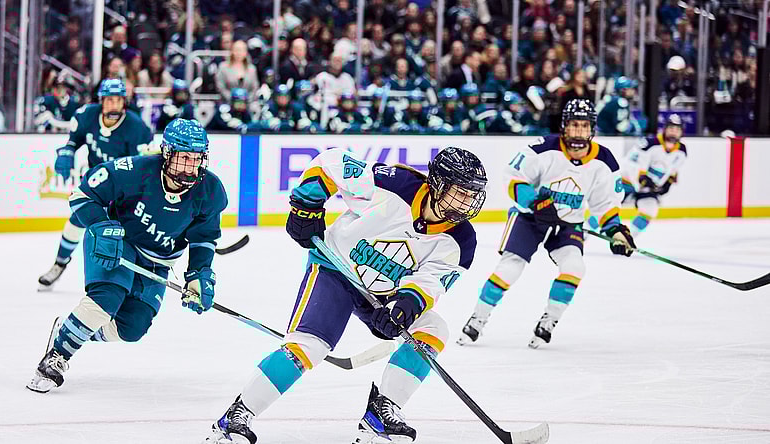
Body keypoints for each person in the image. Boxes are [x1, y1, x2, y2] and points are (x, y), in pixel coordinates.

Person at [204, 146, 487, 444]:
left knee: (433, 329)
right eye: (461, 192)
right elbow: (331, 161)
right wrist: (306, 205)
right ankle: (235, 418)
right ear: (438, 184)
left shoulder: (462, 240)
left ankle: (382, 411)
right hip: (335, 269)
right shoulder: (393, 184)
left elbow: (430, 282)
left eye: (473, 195)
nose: (467, 202)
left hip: (382, 295)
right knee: (310, 346)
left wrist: (404, 306)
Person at [27, 119, 228, 393]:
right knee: (108, 296)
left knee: (132, 328)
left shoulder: (210, 190)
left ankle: (73, 330)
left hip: (158, 261)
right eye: (183, 158)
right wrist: (101, 225)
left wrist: (198, 274)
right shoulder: (133, 171)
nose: (190, 167)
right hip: (118, 245)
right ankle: (57, 356)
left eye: (196, 159)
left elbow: (204, 237)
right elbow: (82, 195)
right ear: (167, 153)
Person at [457, 99, 636, 349]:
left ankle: (549, 321)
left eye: (584, 126)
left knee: (575, 267)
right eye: (574, 125)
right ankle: (478, 318)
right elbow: (513, 178)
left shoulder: (604, 161)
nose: (579, 132)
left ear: (592, 129)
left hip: (567, 225)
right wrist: (535, 201)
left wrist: (616, 230)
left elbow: (605, 204)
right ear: (564, 126)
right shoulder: (543, 149)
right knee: (510, 267)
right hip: (530, 218)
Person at [37, 78, 154, 291]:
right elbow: (74, 139)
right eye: (109, 100)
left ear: (124, 102)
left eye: (117, 100)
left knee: (131, 235)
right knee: (75, 222)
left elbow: (142, 168)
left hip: (125, 190)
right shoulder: (86, 115)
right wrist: (67, 151)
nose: (113, 105)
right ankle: (59, 264)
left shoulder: (137, 128)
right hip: (96, 184)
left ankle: (140, 275)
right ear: (101, 100)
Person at [614, 114, 687, 237]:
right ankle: (584, 233)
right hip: (627, 181)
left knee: (650, 209)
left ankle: (627, 238)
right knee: (607, 206)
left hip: (646, 187)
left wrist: (667, 183)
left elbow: (673, 170)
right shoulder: (649, 143)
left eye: (677, 129)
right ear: (665, 129)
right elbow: (636, 167)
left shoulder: (682, 151)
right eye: (671, 128)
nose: (673, 132)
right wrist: (643, 179)